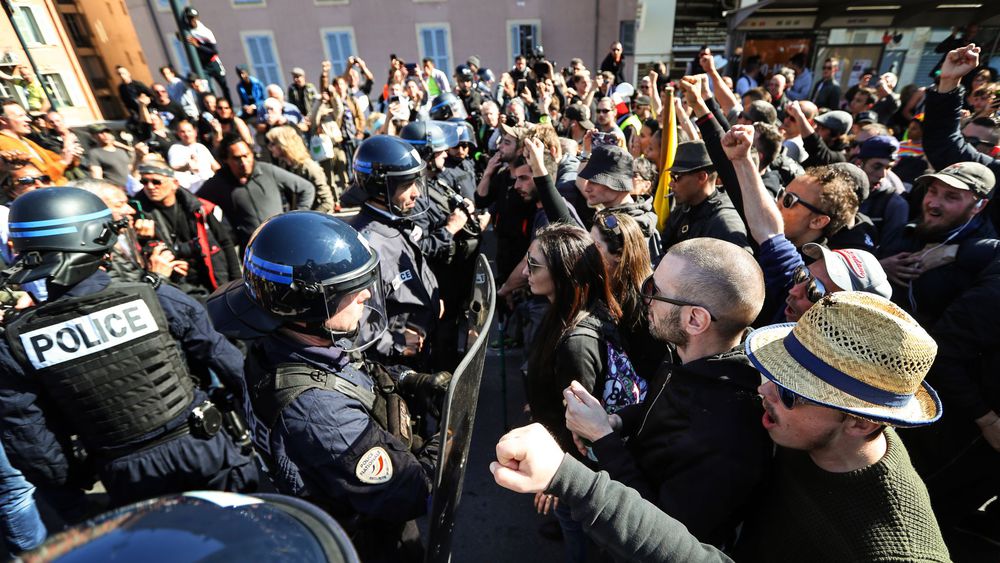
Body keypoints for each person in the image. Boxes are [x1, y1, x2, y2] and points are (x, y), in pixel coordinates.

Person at [493, 291, 951, 563]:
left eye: (790, 391)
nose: (763, 393)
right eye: (773, 374)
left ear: (861, 421)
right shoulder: (802, 430)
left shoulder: (897, 550)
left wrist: (570, 477)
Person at [0, 187, 258, 510]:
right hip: (204, 447)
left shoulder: (17, 340)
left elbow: (31, 441)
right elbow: (229, 363)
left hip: (126, 475)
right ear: (98, 240)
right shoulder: (155, 296)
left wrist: (74, 480)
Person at [208, 211, 445, 562]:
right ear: (306, 305)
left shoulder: (289, 341)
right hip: (368, 541)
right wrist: (450, 433)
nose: (366, 294)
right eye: (350, 290)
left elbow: (348, 372)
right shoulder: (319, 411)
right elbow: (408, 492)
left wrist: (411, 380)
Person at [565, 237, 770, 549]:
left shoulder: (728, 436)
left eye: (654, 290)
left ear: (695, 319)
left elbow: (662, 535)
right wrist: (617, 422)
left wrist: (602, 437)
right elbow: (657, 408)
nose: (644, 297)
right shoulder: (687, 353)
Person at [522, 222, 629, 563]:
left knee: (579, 543)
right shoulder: (563, 313)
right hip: (562, 449)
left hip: (574, 468)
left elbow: (582, 425)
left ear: (564, 274)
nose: (526, 270)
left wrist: (559, 479)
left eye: (534, 264)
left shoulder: (577, 341)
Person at [722, 125, 891, 324]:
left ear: (818, 221)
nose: (795, 289)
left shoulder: (821, 273)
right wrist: (741, 159)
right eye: (803, 276)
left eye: (815, 289)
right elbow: (767, 231)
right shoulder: (793, 270)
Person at [347, 135, 441, 367]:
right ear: (380, 188)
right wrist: (397, 342)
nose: (416, 193)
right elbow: (357, 325)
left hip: (422, 342)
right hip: (396, 364)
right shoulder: (367, 246)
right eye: (406, 185)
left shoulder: (396, 220)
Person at [878, 161, 996, 325]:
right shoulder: (908, 231)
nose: (933, 203)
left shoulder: (985, 260)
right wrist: (878, 269)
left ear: (979, 205)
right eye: (932, 191)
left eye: (951, 197)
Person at [133, 156, 241, 297]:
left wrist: (237, 280)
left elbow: (225, 241)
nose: (150, 187)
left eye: (156, 181)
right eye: (144, 182)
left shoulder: (198, 207)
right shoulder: (140, 215)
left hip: (215, 278)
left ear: (174, 183)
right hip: (179, 287)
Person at [198, 134, 315, 247]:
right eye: (236, 158)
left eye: (246, 156)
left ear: (252, 154)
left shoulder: (267, 171)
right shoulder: (219, 182)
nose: (243, 162)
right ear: (226, 160)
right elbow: (195, 203)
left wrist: (295, 219)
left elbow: (307, 188)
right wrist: (218, 233)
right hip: (252, 251)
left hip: (284, 242)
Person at [660, 140, 750, 252]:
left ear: (702, 177)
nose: (670, 184)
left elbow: (742, 266)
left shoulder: (724, 223)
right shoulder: (682, 211)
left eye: (676, 177)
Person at [576, 142, 661, 259]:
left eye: (594, 181)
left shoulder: (630, 228)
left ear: (617, 184)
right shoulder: (618, 213)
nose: (587, 188)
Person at [265, 125, 335, 213]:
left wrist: (308, 219)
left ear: (283, 144)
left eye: (272, 144)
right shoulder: (284, 166)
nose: (270, 148)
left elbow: (327, 203)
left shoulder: (309, 168)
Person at [0, 100, 72, 185]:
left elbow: (56, 159)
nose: (28, 119)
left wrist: (71, 153)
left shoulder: (24, 140)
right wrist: (63, 162)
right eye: (20, 116)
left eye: (25, 115)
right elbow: (40, 176)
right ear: (3, 120)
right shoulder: (4, 143)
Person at [181, 7, 231, 103]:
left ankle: (229, 106)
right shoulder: (188, 31)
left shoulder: (204, 32)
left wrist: (198, 45)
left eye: (194, 18)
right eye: (190, 18)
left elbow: (214, 51)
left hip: (213, 62)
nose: (192, 20)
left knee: (224, 86)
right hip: (203, 66)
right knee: (208, 88)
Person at [167, 118, 219, 192]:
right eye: (183, 132)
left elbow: (215, 166)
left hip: (209, 184)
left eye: (189, 131)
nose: (187, 134)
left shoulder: (201, 147)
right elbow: (173, 168)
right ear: (178, 134)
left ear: (195, 132)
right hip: (191, 189)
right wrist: (187, 166)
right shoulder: (175, 148)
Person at [86, 124, 133, 189]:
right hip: (116, 191)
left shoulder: (121, 151)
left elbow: (131, 170)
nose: (105, 135)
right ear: (93, 136)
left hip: (132, 188)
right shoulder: (95, 153)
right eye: (101, 133)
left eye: (107, 132)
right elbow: (97, 177)